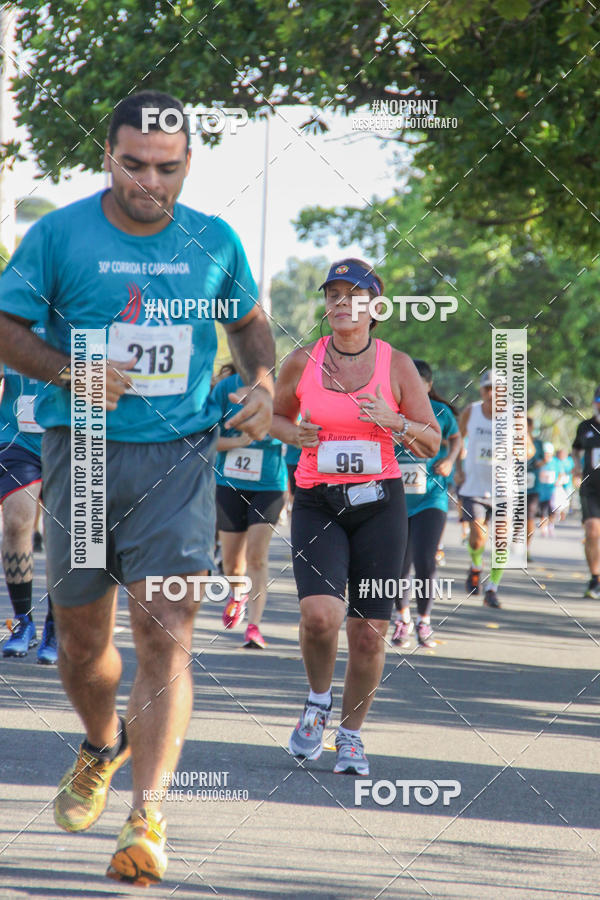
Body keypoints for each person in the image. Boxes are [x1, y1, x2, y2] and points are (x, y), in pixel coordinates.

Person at [0, 90, 274, 886]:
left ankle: (148, 815)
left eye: (167, 168)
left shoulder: (213, 240)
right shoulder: (59, 236)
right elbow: (6, 324)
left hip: (178, 458)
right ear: (108, 157)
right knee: (85, 645)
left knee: (166, 628)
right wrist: (68, 370)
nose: (149, 182)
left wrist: (261, 380)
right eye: (133, 165)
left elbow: (249, 322)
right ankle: (101, 742)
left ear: (188, 164)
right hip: (80, 452)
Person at [271, 258, 440, 775]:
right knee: (320, 617)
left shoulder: (398, 365)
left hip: (380, 506)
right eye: (333, 295)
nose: (341, 304)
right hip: (318, 501)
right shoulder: (302, 360)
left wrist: (396, 420)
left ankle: (350, 736)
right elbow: (276, 415)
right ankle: (318, 702)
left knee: (368, 633)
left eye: (354, 295)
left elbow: (431, 442)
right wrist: (291, 433)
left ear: (375, 307)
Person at [211, 368, 287, 648]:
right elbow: (208, 439)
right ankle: (238, 593)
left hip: (269, 486)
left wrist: (269, 430)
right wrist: (239, 440)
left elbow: (293, 432)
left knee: (257, 557)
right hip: (229, 483)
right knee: (232, 563)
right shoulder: (225, 388)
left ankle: (254, 626)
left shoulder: (283, 388)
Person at [392, 360, 461, 648]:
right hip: (396, 498)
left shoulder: (442, 413)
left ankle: (424, 621)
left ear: (429, 386)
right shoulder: (391, 410)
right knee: (399, 563)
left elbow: (456, 439)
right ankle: (402, 619)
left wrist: (449, 459)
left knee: (425, 560)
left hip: (431, 497)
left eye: (419, 384)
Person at [0, 331, 57, 664]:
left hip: (72, 436)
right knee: (19, 518)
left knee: (66, 533)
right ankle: (23, 622)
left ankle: (57, 624)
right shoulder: (13, 315)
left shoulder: (81, 308)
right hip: (17, 438)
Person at [455, 369, 506, 609]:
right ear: (482, 390)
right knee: (478, 538)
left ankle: (492, 589)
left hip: (505, 488)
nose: (492, 393)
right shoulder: (471, 412)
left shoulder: (514, 416)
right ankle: (476, 566)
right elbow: (456, 439)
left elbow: (528, 449)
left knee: (502, 540)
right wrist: (457, 467)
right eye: (488, 388)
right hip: (474, 485)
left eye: (497, 389)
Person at [572, 387, 600, 599]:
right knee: (592, 531)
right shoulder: (585, 426)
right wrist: (576, 466)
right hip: (590, 487)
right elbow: (576, 448)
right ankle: (595, 577)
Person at [526, 417, 544, 561]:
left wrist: (540, 462)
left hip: (532, 487)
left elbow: (543, 460)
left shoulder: (538, 443)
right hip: (513, 486)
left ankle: (526, 549)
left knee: (529, 517)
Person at [537, 442, 560, 536]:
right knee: (543, 511)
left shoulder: (555, 462)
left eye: (548, 453)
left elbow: (560, 473)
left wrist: (558, 481)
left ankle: (551, 525)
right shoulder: (540, 462)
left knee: (552, 511)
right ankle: (543, 529)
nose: (546, 455)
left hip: (552, 491)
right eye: (545, 453)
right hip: (541, 491)